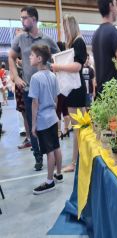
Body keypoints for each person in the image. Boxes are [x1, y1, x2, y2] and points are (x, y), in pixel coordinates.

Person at [8, 6, 60, 171]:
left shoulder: (47, 39)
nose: (22, 21)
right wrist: (15, 77)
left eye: (25, 17)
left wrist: (51, 70)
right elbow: (11, 56)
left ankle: (52, 153)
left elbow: (59, 57)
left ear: (34, 19)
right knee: (33, 126)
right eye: (21, 18)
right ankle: (38, 157)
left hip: (47, 91)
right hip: (29, 90)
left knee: (50, 121)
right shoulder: (20, 39)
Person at [51, 15, 87, 173]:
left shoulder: (78, 42)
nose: (64, 31)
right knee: (82, 127)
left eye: (65, 28)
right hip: (74, 89)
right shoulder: (76, 42)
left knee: (79, 128)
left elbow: (78, 66)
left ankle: (75, 162)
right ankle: (79, 160)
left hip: (75, 90)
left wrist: (58, 67)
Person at [28, 44, 63, 194]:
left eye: (32, 55)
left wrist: (33, 124)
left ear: (39, 59)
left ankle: (49, 181)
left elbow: (35, 102)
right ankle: (59, 174)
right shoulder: (52, 75)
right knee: (56, 147)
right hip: (52, 116)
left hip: (43, 118)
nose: (29, 57)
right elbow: (56, 98)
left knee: (49, 150)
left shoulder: (35, 78)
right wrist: (52, 111)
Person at [92, 0, 117, 96]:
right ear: (111, 6)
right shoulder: (112, 32)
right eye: (116, 6)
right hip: (113, 94)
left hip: (101, 93)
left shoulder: (96, 34)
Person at [55, 41, 71, 140]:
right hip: (67, 87)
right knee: (65, 110)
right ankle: (66, 129)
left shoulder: (56, 60)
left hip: (59, 87)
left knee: (58, 110)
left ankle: (58, 132)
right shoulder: (67, 60)